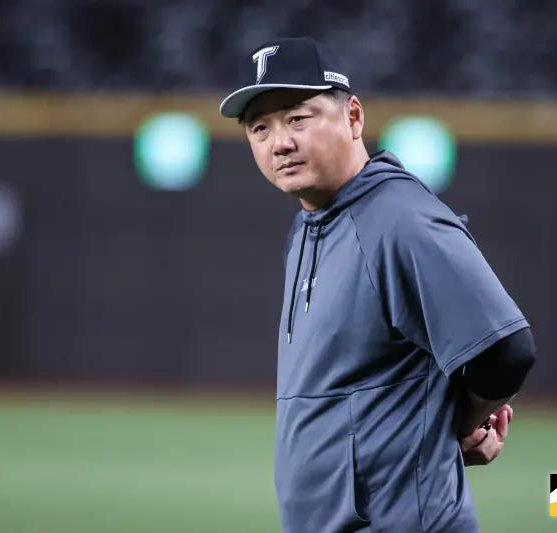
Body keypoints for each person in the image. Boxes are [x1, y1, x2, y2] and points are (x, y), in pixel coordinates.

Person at [219, 37, 536, 533]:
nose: (279, 142)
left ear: (353, 116)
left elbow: (507, 350)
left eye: (297, 118)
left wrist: (458, 422)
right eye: (260, 128)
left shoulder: (398, 219)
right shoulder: (308, 227)